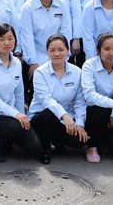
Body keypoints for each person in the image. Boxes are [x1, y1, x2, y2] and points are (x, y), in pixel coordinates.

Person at [0, 24, 40, 162]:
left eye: (10, 38)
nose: (6, 43)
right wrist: (16, 115)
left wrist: (22, 116)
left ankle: (7, 140)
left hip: (11, 116)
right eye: (1, 39)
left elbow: (19, 94)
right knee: (16, 126)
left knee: (34, 147)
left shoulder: (16, 63)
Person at [28, 35, 88, 164]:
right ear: (47, 51)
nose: (57, 54)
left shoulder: (77, 72)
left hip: (63, 119)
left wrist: (79, 124)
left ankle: (57, 141)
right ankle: (45, 149)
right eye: (52, 50)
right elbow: (46, 100)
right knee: (48, 115)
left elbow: (79, 101)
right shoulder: (40, 72)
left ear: (68, 50)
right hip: (41, 117)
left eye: (61, 49)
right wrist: (64, 115)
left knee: (79, 141)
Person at [19, 0, 72, 103]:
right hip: (36, 58)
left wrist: (63, 57)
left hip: (58, 57)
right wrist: (33, 62)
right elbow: (27, 36)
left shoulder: (62, 5)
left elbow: (65, 32)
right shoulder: (28, 7)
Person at [81, 33, 113, 163]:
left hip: (111, 113)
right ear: (98, 50)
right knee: (100, 110)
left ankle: (102, 139)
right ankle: (92, 146)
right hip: (92, 112)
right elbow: (89, 96)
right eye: (106, 49)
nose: (111, 53)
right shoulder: (89, 66)